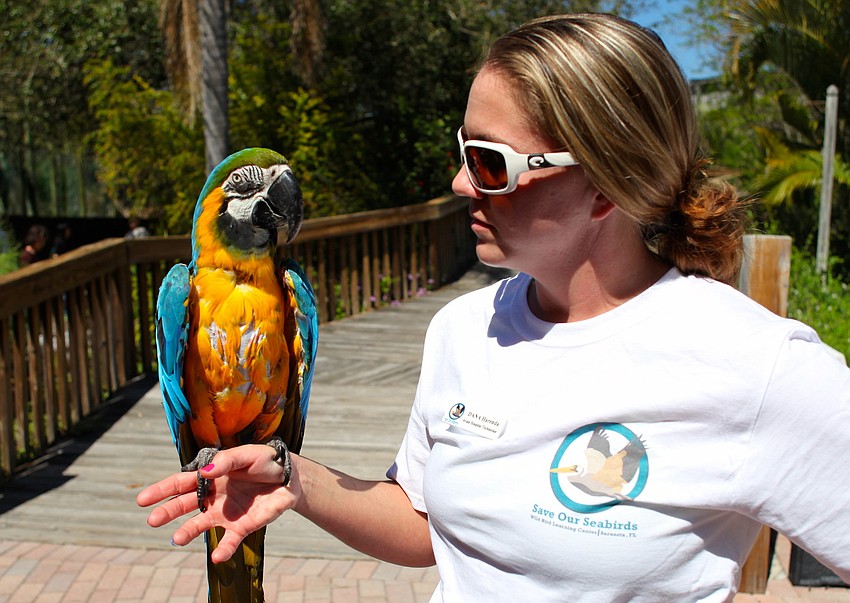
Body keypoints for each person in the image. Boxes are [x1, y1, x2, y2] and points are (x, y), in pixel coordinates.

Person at [137, 13, 850, 601]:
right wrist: (292, 478)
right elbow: (425, 524)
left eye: (489, 163)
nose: (456, 182)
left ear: (606, 184)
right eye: (462, 151)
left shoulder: (757, 366)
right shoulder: (463, 329)